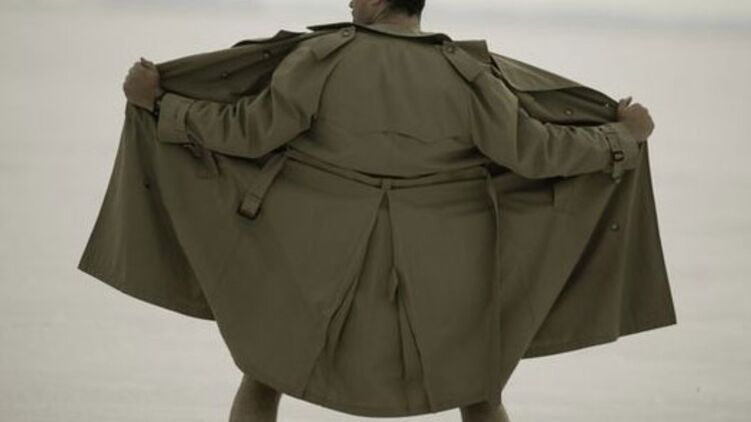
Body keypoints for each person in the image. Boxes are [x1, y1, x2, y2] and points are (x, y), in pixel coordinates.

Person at [122, 1, 654, 421]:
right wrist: (620, 139)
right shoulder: (468, 75)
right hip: (444, 269)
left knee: (263, 372)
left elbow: (247, 131)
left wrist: (162, 105)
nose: (348, 1)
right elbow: (538, 152)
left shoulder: (323, 57)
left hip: (314, 261)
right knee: (480, 391)